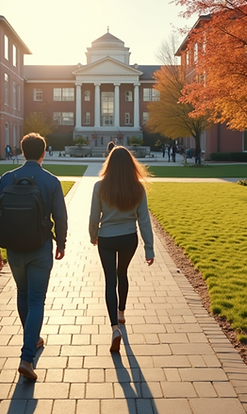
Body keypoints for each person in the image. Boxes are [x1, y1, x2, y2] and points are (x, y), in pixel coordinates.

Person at [0, 133, 68, 381]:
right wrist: (61, 244)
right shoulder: (51, 181)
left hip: (14, 249)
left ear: (22, 152)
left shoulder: (7, 178)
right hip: (40, 249)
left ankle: (31, 340)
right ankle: (26, 357)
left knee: (23, 294)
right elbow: (61, 218)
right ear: (43, 153)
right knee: (36, 300)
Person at [89, 146, 154, 354]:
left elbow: (93, 217)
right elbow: (144, 220)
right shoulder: (137, 188)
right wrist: (149, 248)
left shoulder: (100, 187)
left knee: (110, 280)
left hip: (107, 238)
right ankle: (121, 312)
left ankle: (114, 329)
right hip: (129, 238)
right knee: (122, 273)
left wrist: (93, 235)